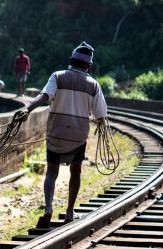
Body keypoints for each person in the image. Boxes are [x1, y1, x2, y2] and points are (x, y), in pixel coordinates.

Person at [18, 42, 107, 228]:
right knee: (76, 171)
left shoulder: (58, 76)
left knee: (51, 172)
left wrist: (27, 109)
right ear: (89, 66)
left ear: (70, 61)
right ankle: (69, 212)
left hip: (56, 133)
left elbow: (44, 96)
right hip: (78, 135)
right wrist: (102, 124)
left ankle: (49, 208)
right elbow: (100, 115)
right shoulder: (94, 85)